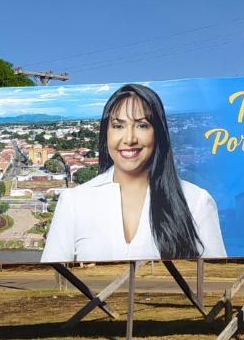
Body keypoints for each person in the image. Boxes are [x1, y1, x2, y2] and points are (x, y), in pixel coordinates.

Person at [41, 84, 226, 262]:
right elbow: (51, 285)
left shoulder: (197, 202)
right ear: (106, 134)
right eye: (118, 126)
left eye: (142, 125)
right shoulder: (73, 202)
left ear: (158, 133)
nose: (129, 139)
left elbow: (218, 284)